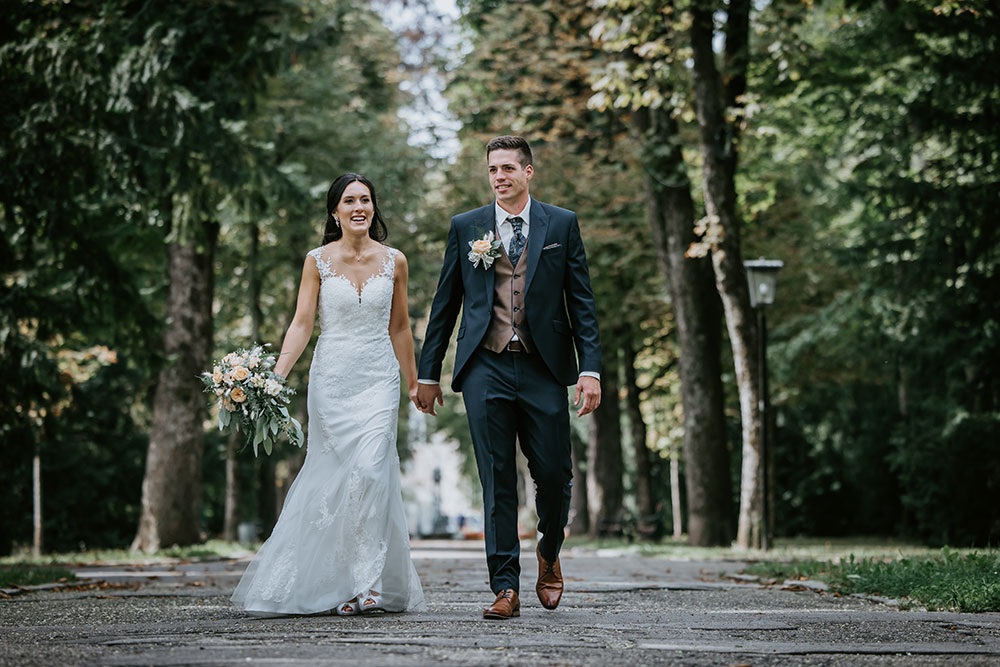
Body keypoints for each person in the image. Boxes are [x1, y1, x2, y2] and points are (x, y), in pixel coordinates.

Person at [416, 136, 602, 619]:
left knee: (556, 475)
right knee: (496, 478)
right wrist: (428, 373)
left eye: (508, 168)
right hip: (485, 365)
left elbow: (581, 301)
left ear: (528, 172)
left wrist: (590, 369)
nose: (500, 176)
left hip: (543, 366)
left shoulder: (561, 223)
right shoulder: (467, 227)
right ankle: (505, 588)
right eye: (493, 169)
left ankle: (549, 552)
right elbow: (445, 304)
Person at [232, 173, 426, 616]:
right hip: (332, 378)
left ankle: (370, 585)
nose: (359, 207)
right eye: (349, 200)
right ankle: (338, 583)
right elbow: (302, 323)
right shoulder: (316, 260)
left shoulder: (395, 260)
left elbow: (399, 327)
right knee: (337, 479)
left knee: (373, 471)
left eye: (366, 200)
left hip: (378, 378)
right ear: (335, 211)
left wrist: (413, 382)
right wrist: (276, 376)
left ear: (373, 208)